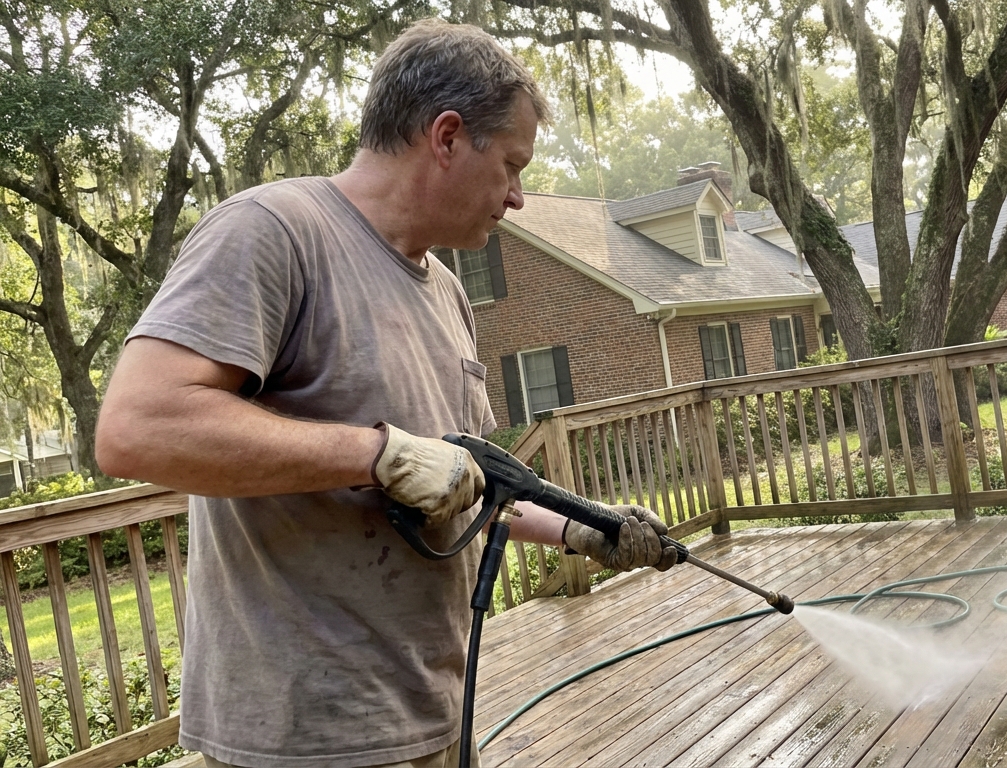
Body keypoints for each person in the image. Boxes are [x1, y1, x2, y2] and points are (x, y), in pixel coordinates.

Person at [95, 19, 675, 768]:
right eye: (511, 165)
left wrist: (582, 527)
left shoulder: (448, 293)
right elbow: (137, 427)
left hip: (431, 712)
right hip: (305, 735)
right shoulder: (273, 231)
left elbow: (464, 478)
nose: (519, 197)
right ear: (446, 137)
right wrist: (376, 452)